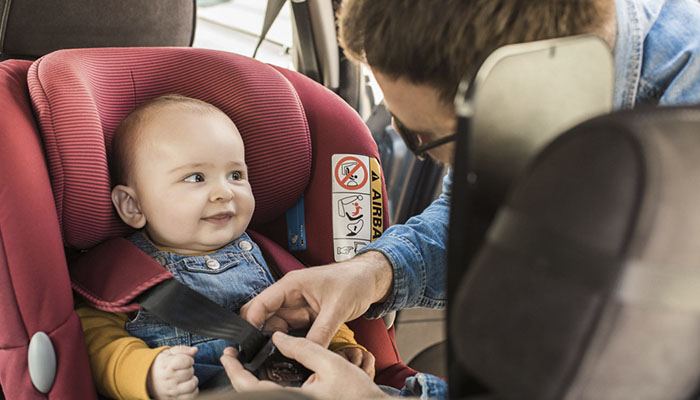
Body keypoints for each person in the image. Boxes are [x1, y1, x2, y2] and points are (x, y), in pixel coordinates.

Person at [220, 0, 700, 398]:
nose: (428, 158)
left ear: (523, 91)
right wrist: (372, 273)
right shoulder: (525, 92)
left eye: (422, 138)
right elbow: (476, 208)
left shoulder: (685, 140)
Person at [75, 95, 375, 400]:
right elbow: (97, 343)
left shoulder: (269, 257)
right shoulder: (124, 275)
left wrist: (340, 346)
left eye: (236, 175)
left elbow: (312, 309)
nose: (224, 191)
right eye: (195, 177)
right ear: (133, 205)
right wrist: (147, 373)